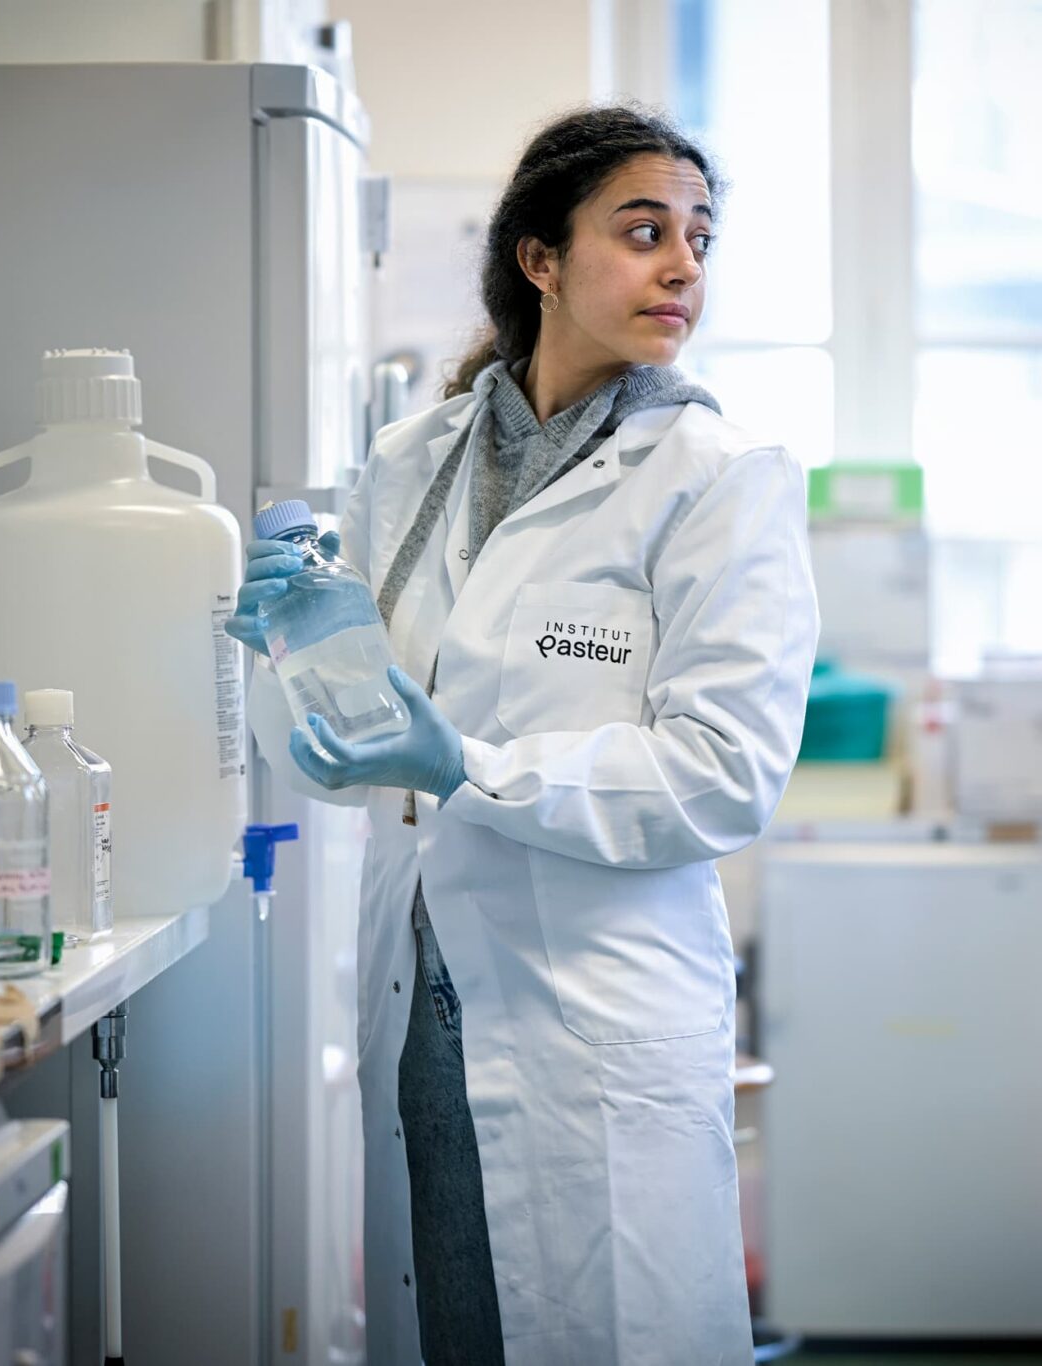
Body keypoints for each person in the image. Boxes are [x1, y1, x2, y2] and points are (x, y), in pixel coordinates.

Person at [231, 104, 818, 1366]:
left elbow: (722, 776)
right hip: (416, 987)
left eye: (697, 239)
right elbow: (360, 750)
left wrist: (469, 768)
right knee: (451, 1323)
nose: (682, 268)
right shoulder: (411, 459)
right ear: (539, 261)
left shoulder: (719, 475)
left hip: (589, 1012)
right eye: (643, 230)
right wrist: (287, 664)